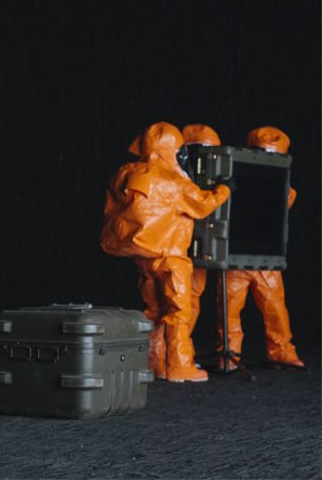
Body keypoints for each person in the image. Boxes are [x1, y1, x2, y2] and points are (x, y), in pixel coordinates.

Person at [100, 122, 231, 382]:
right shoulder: (173, 181)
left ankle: (154, 364)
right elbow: (202, 204)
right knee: (178, 312)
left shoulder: (126, 173)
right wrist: (224, 189)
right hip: (171, 259)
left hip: (143, 257)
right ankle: (180, 367)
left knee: (154, 311)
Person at [218, 126, 304, 370]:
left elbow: (282, 201)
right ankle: (230, 354)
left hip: (266, 259)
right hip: (235, 258)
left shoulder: (284, 189)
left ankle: (282, 352)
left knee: (275, 310)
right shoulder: (233, 178)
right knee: (229, 311)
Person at [181, 124, 223, 335]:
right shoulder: (177, 177)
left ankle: (178, 348)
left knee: (190, 297)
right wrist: (223, 190)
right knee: (175, 302)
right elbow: (199, 204)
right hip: (176, 248)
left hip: (195, 246)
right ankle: (168, 351)